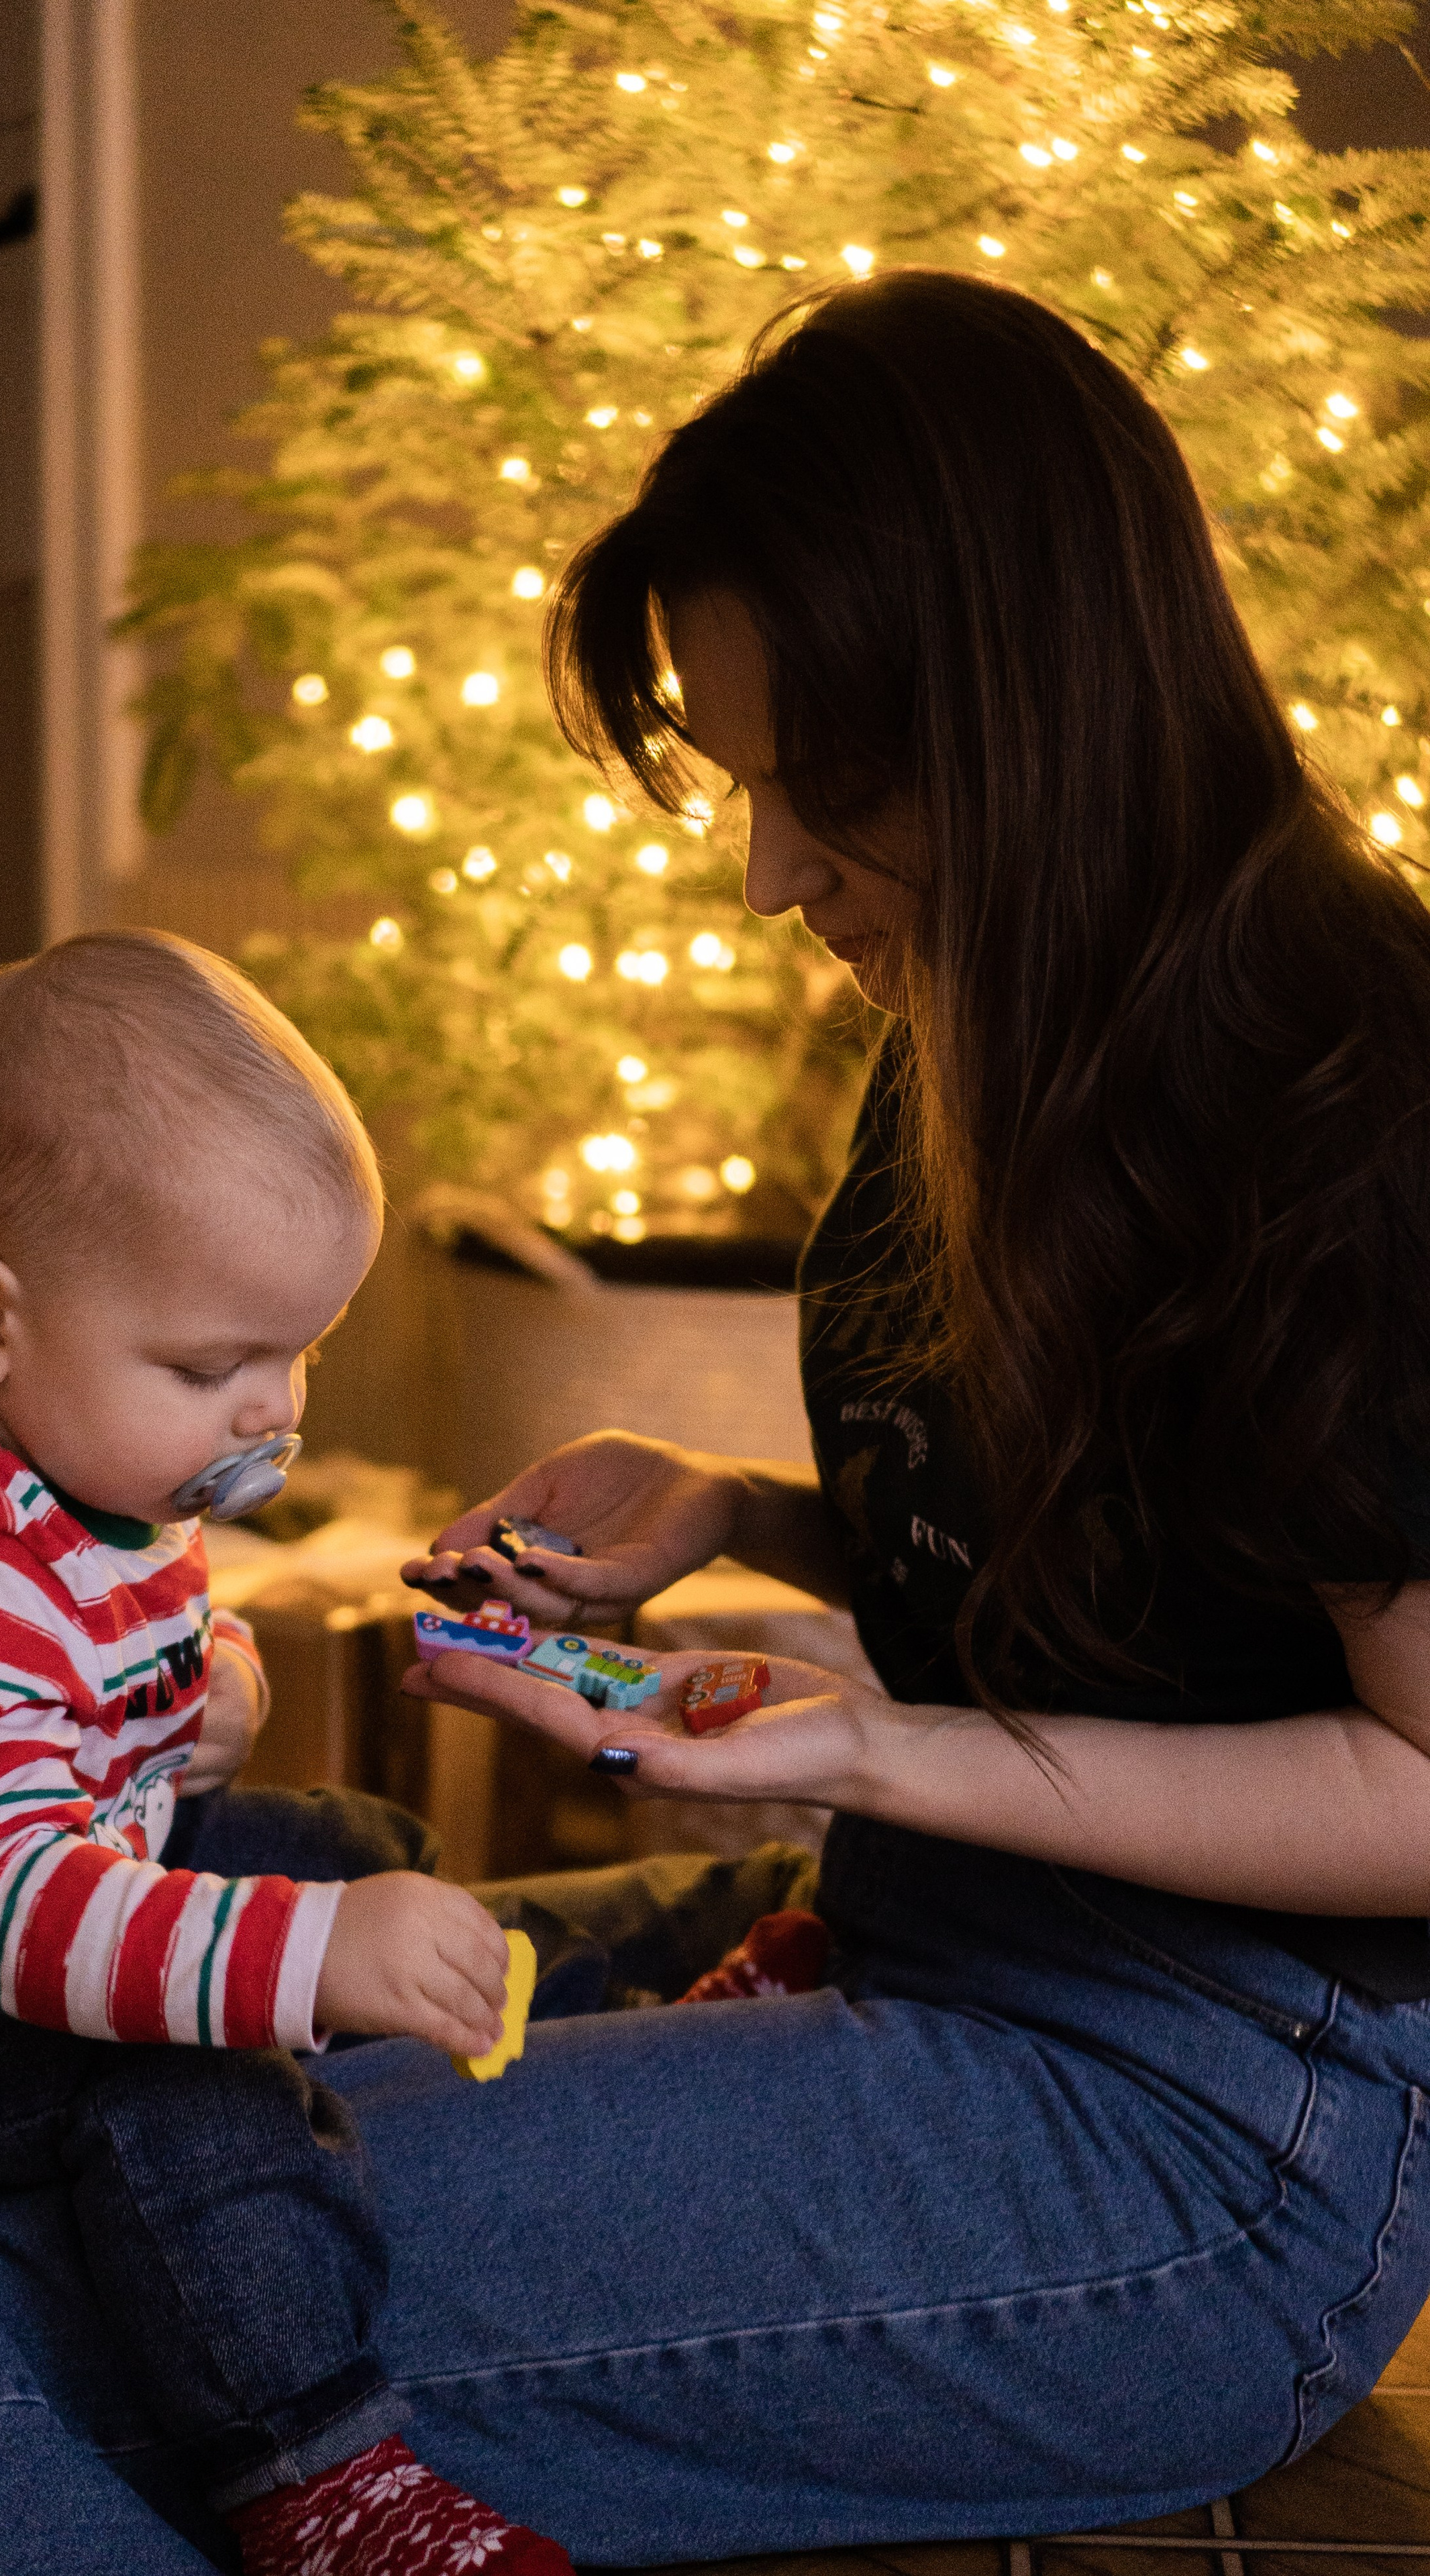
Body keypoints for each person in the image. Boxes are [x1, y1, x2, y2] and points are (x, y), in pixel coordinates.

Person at [362, 270, 1430, 2566]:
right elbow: (1166, 1560)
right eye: (751, 784)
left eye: (823, 789)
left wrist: (880, 1745)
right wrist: (737, 1512)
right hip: (945, 1917)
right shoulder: (980, 1002)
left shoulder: (1355, 1093)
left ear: (1033, 709)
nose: (765, 874)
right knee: (200, 2081)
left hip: (1218, 2126)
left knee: (247, 2229)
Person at [0, 930, 574, 2576]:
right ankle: (319, 2476)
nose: (275, 1418)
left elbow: (96, 1640)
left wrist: (211, 1681)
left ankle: (588, 1971)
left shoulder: (74, 1436)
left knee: (349, 1841)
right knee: (181, 2061)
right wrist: (299, 1958)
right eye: (213, 1368)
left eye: (298, 1350)